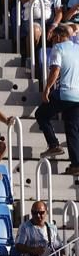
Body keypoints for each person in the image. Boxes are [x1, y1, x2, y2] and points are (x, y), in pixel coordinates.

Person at [39, 25, 79, 171]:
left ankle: (53, 144)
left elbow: (55, 70)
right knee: (72, 128)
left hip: (65, 92)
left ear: (58, 37)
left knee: (41, 115)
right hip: (77, 96)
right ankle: (76, 164)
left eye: (53, 38)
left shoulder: (59, 48)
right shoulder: (77, 48)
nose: (53, 41)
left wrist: (47, 88)